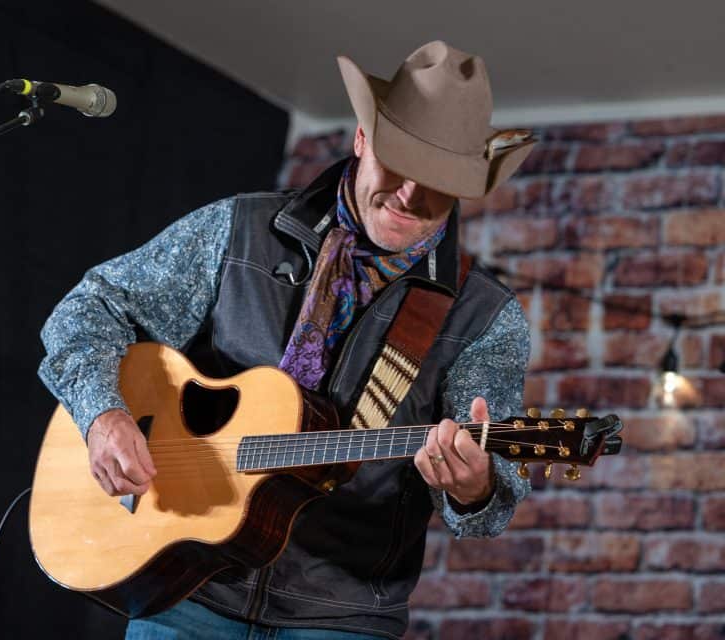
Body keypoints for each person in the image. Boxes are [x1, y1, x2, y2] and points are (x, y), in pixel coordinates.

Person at [39, 40, 537, 640]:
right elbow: (88, 311)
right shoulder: (238, 230)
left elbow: (490, 504)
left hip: (342, 617)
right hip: (186, 586)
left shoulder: (485, 316)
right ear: (361, 138)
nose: (410, 195)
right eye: (398, 162)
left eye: (438, 180)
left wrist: (475, 484)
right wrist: (103, 414)